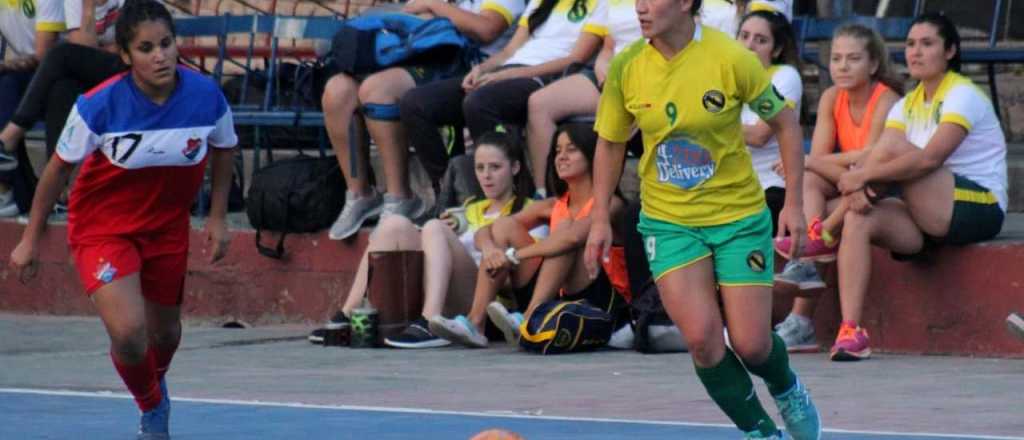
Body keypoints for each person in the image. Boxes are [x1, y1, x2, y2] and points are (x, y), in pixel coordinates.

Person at [586, 0, 820, 438]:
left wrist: (794, 203)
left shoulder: (730, 57)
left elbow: (787, 125)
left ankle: (786, 387)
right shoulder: (627, 66)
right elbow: (610, 143)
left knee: (751, 344)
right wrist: (600, 216)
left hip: (738, 216)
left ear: (686, 4)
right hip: (669, 221)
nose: (640, 7)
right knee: (703, 341)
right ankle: (760, 431)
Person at [8, 1, 237, 437]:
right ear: (126, 56)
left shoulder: (206, 96)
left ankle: (151, 383)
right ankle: (153, 411)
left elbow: (224, 149)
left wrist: (219, 217)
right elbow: (57, 169)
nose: (160, 56)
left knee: (165, 336)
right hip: (103, 229)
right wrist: (30, 238)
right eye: (146, 48)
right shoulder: (99, 105)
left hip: (167, 228)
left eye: (166, 44)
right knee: (131, 333)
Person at [827, 13, 1007, 361]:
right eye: (910, 44)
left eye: (927, 44)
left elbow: (928, 161)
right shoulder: (907, 103)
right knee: (861, 218)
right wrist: (860, 182)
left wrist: (860, 177)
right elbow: (879, 157)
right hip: (926, 212)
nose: (916, 52)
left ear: (950, 51)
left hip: (977, 206)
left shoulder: (963, 94)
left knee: (896, 152)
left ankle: (825, 232)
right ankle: (852, 330)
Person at [308, 131, 540, 348]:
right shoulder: (468, 210)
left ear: (515, 167)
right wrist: (450, 236)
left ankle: (429, 321)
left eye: (495, 167)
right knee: (394, 224)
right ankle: (347, 315)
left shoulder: (530, 212)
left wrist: (476, 252)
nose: (486, 176)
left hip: (486, 305)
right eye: (480, 168)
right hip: (446, 293)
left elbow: (525, 279)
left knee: (434, 227)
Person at [324, 0, 526, 240]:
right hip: (416, 54)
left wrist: (434, 6)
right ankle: (360, 194)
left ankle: (400, 197)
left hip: (465, 66)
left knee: (377, 90)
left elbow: (485, 29)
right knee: (338, 91)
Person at [429, 122, 629, 348]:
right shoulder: (553, 204)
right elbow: (488, 230)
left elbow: (572, 238)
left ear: (593, 156)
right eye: (557, 151)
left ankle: (528, 317)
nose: (561, 157)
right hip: (557, 296)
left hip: (598, 301)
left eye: (571, 150)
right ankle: (476, 323)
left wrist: (514, 255)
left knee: (563, 233)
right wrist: (491, 250)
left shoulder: (610, 204)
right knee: (504, 227)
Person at [771, 23, 901, 353]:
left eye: (853, 59)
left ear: (872, 64)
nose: (842, 66)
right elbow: (822, 159)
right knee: (812, 180)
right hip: (847, 187)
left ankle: (803, 313)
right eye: (837, 58)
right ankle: (816, 240)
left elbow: (871, 160)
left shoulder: (886, 99)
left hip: (882, 190)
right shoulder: (832, 97)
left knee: (822, 177)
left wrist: (808, 162)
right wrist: (811, 163)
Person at [400, 0, 604, 199]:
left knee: (479, 102)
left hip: (544, 77)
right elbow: (508, 51)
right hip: (507, 71)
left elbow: (576, 58)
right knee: (415, 104)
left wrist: (514, 74)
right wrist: (481, 69)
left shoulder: (600, 4)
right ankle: (452, 193)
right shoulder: (540, 2)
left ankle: (514, 195)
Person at [0, 0, 127, 216]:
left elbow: (132, 46)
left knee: (60, 55)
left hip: (132, 73)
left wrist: (104, 49)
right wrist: (89, 8)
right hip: (86, 73)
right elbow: (84, 50)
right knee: (60, 87)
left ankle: (7, 140)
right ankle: (57, 194)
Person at [523, 0, 641, 193]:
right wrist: (602, 65)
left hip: (646, 75)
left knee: (619, 113)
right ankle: (546, 192)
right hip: (611, 73)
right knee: (539, 103)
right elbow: (609, 47)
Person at [0, 0, 77, 216]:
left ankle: (52, 192)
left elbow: (45, 55)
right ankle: (16, 192)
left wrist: (7, 65)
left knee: (10, 85)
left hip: (63, 74)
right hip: (24, 72)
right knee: (5, 85)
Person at [737, 10, 801, 235]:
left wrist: (709, 125)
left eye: (760, 40)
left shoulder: (785, 76)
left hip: (772, 185)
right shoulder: (725, 75)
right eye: (743, 36)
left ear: (777, 50)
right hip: (730, 185)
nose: (749, 45)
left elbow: (758, 136)